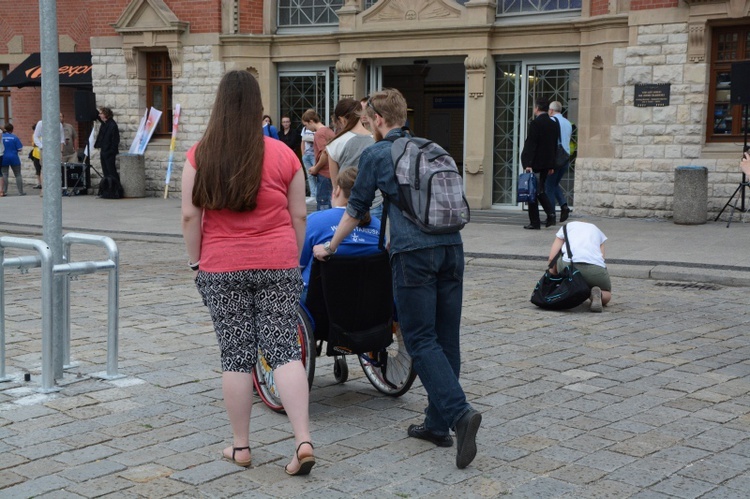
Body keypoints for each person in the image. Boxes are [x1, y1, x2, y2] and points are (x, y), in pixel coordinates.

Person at [312, 88, 482, 470]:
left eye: (369, 119)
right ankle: (436, 425)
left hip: (413, 255)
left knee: (420, 338)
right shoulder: (431, 147)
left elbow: (355, 209)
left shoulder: (377, 153)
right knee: (445, 337)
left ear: (377, 120)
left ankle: (459, 414)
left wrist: (332, 248)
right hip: (452, 249)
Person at [181, 70, 314, 476]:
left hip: (222, 265)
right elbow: (299, 214)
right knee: (284, 351)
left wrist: (196, 262)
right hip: (277, 262)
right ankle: (303, 440)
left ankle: (241, 447)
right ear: (258, 108)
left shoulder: (200, 154)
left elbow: (190, 215)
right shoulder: (283, 155)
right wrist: (291, 257)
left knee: (236, 356)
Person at [299, 167, 380, 301]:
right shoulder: (377, 226)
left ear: (337, 190)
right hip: (366, 299)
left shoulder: (315, 220)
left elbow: (299, 263)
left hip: (320, 299)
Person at [546, 221, 611, 312]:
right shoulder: (598, 231)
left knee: (557, 258)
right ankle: (598, 294)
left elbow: (552, 257)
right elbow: (601, 258)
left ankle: (554, 289)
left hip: (569, 267)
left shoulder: (565, 228)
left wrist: (551, 272)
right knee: (607, 293)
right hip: (595, 269)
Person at [521, 97, 557, 230]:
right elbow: (553, 146)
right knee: (539, 190)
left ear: (536, 108)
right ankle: (549, 214)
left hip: (535, 163)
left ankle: (537, 220)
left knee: (533, 192)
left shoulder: (536, 124)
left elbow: (532, 144)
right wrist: (552, 165)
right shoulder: (553, 124)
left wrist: (528, 163)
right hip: (546, 164)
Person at [301, 109, 335, 211]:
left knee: (323, 203)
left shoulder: (319, 134)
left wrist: (316, 168)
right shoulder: (329, 130)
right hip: (332, 171)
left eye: (306, 125)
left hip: (324, 173)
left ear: (311, 121)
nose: (306, 128)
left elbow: (324, 153)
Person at [546, 101, 572, 223]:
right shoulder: (567, 123)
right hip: (565, 158)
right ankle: (564, 206)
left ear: (551, 110)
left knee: (549, 187)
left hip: (555, 158)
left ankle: (551, 215)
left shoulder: (551, 121)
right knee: (554, 183)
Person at [94, 107, 120, 180]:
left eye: (101, 113)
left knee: (111, 171)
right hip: (104, 150)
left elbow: (115, 140)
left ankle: (116, 188)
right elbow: (97, 116)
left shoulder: (112, 125)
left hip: (109, 152)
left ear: (106, 114)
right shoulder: (104, 124)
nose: (99, 115)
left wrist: (111, 151)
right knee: (105, 172)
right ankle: (108, 188)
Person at [1, 124, 26, 196]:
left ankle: (4, 191)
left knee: (4, 174)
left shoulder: (1, 137)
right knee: (18, 174)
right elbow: (20, 149)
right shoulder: (14, 137)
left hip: (3, 157)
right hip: (14, 157)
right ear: (12, 130)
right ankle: (20, 192)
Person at [300, 122, 316, 201]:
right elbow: (302, 141)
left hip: (314, 155)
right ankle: (313, 194)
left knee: (316, 174)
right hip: (306, 155)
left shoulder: (316, 129)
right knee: (309, 175)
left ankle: (317, 194)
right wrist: (303, 154)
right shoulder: (304, 129)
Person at [29, 124, 42, 189]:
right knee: (38, 170)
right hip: (36, 154)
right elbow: (34, 144)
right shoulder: (34, 135)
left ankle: (41, 183)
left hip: (41, 154)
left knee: (40, 170)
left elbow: (35, 144)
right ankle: (39, 183)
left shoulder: (41, 135)